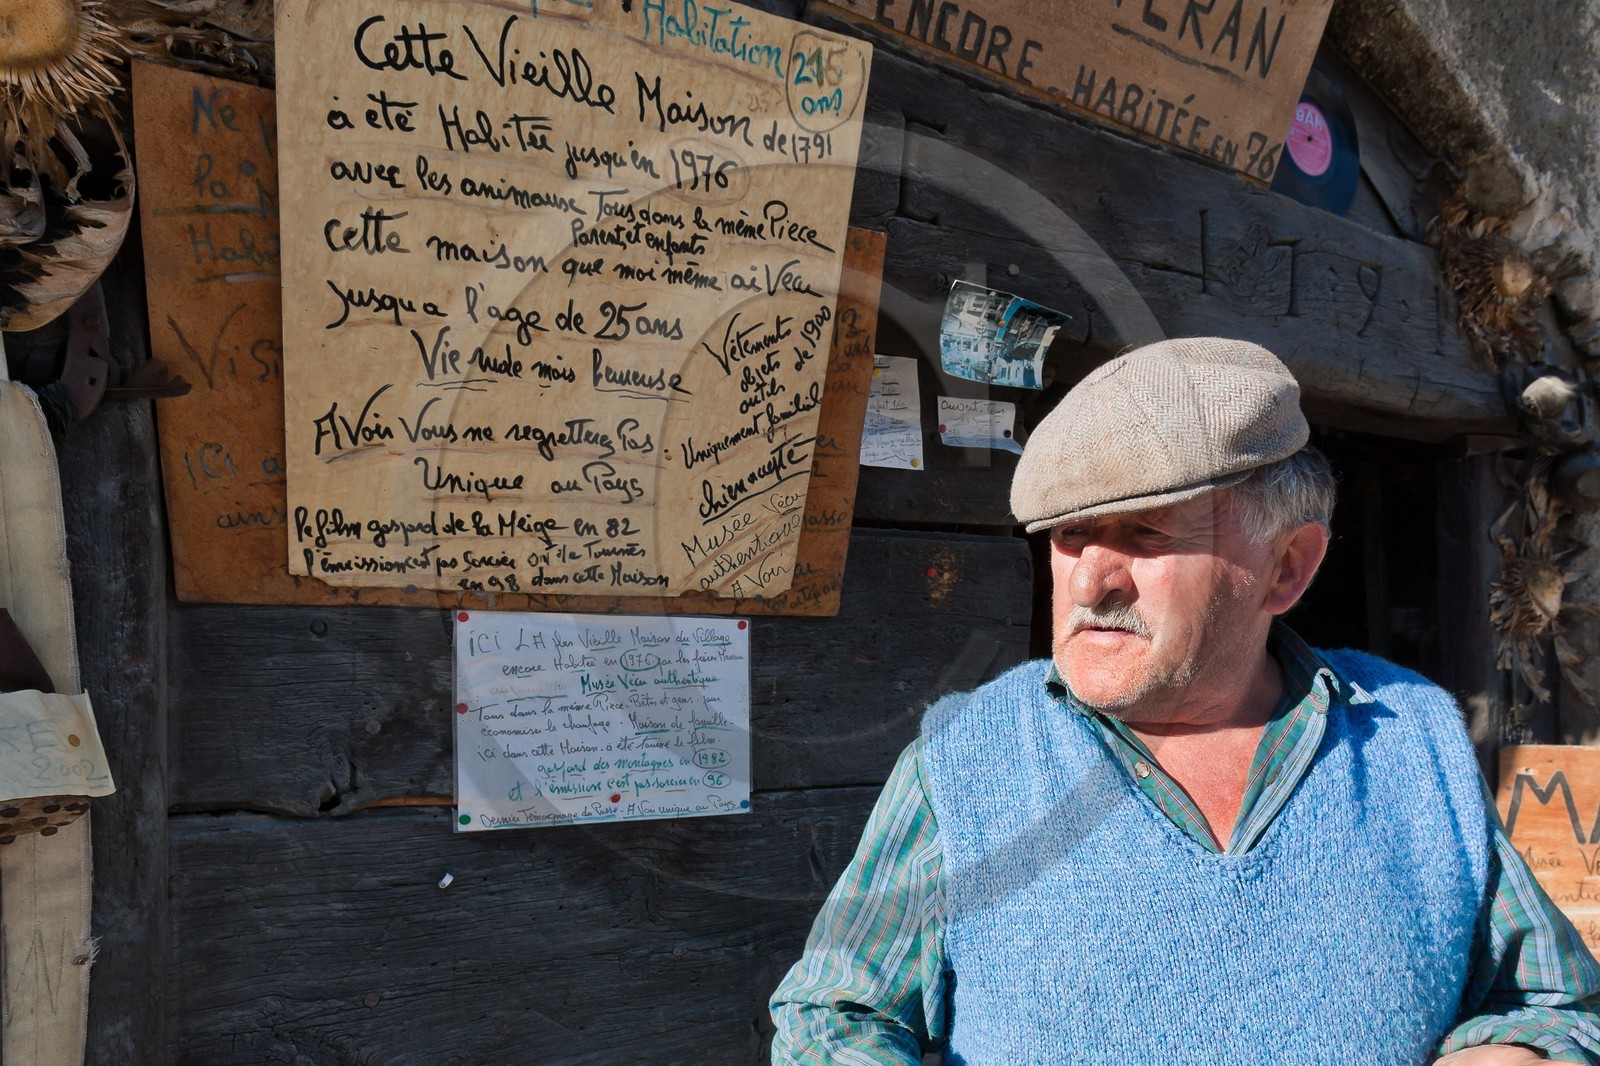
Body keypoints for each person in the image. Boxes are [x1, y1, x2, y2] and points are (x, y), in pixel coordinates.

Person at [769, 338, 1600, 1065]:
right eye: (1069, 535)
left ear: (1288, 568)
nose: (1090, 581)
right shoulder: (968, 760)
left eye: (1147, 534)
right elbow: (834, 1015)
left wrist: (1518, 1051)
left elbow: (1562, 1004)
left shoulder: (1408, 737)